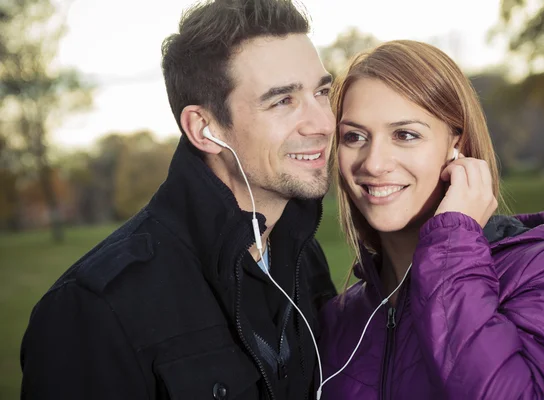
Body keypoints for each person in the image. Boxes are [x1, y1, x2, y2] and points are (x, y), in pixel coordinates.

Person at [20, 1, 338, 399]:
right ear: (205, 129)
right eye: (282, 101)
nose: (324, 123)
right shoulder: (94, 308)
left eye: (321, 92)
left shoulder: (304, 258)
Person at [317, 40, 544, 399]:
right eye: (354, 136)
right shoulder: (338, 318)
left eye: (405, 135)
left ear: (457, 144)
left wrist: (452, 242)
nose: (373, 163)